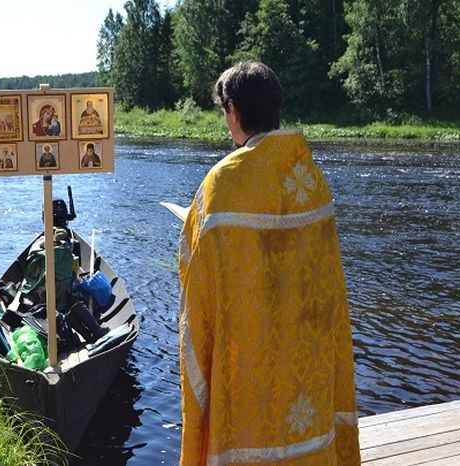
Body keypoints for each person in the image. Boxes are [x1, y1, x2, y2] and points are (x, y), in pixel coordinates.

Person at [177, 61, 360, 465]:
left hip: (247, 361)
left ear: (234, 112)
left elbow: (195, 277)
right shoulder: (310, 179)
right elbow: (329, 286)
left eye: (225, 113)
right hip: (304, 359)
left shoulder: (221, 184)